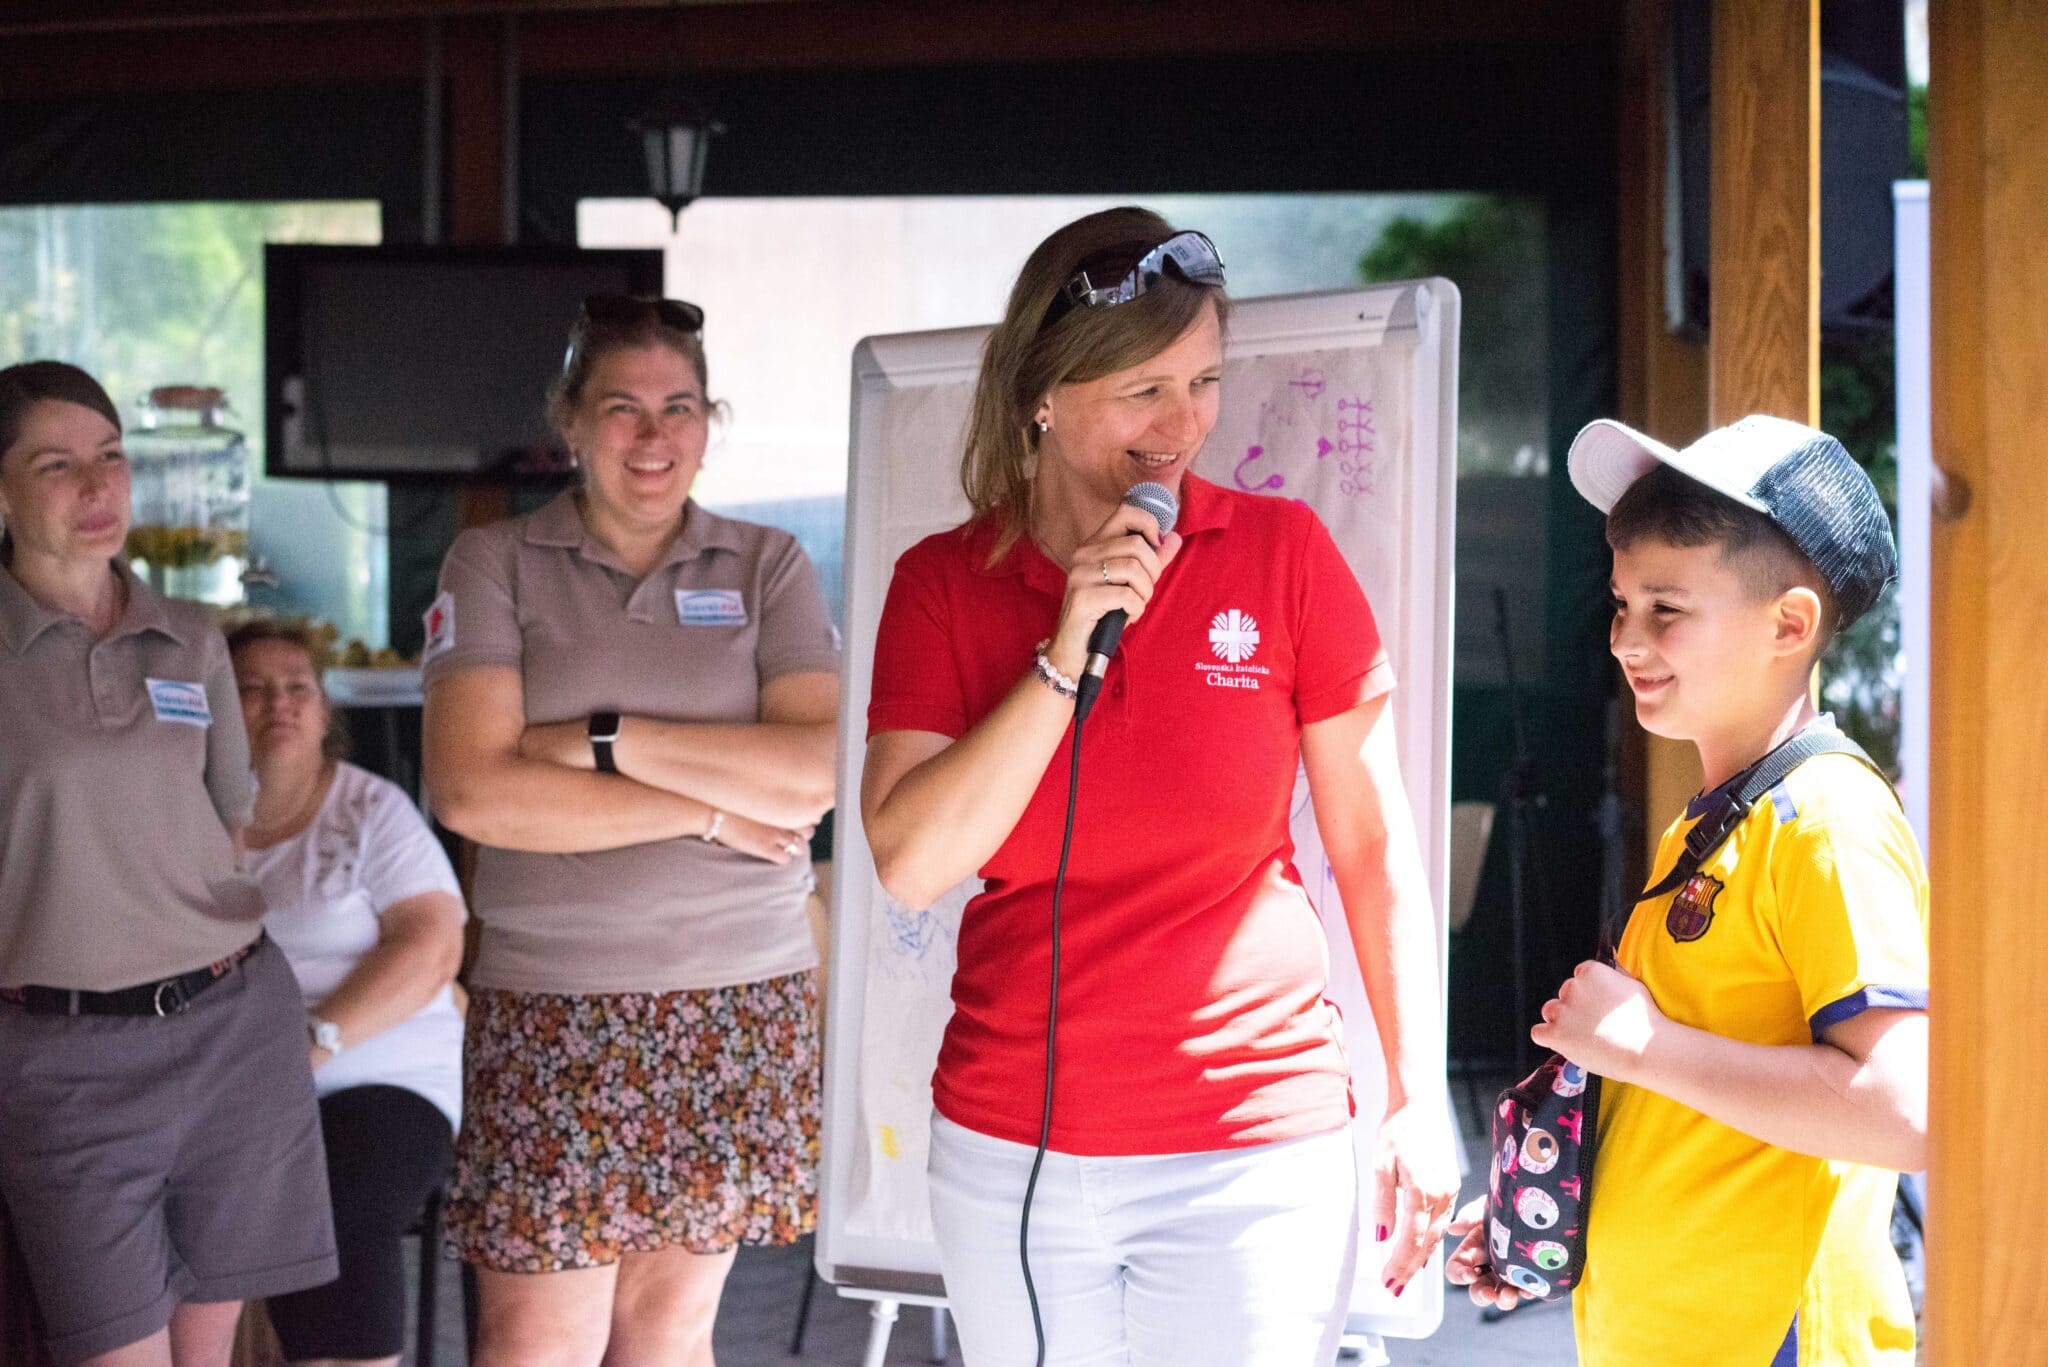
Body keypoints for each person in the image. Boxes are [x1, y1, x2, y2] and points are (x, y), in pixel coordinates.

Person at [860, 207, 1458, 1366]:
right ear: (1042, 392)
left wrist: (1414, 1095)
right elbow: (910, 863)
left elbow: (1373, 848)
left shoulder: (1283, 554)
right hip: (1011, 1153)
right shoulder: (940, 582)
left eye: (1204, 382)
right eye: (1144, 390)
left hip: (1253, 1149)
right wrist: (1060, 653)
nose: (1182, 424)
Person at [1445, 415, 1929, 1365]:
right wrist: (1543, 1206)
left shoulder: (1827, 818)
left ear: (1789, 624)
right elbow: (1684, 1113)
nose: (1627, 638)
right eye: (1621, 602)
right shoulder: (1720, 818)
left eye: (1666, 607)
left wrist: (1644, 1043)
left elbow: (1901, 1110)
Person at [421, 295, 840, 1366]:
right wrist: (706, 806)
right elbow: (474, 792)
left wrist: (597, 738)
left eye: (679, 407)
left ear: (709, 422)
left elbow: (813, 773)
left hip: (736, 996)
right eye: (622, 407)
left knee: (667, 1336)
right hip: (555, 1002)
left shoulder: (767, 563)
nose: (654, 436)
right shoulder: (494, 561)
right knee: (533, 1341)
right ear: (569, 421)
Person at [0, 361, 337, 1367]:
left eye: (110, 457)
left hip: (233, 1024)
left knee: (212, 1349)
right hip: (62, 1053)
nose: (96, 486)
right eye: (56, 465)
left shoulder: (191, 636)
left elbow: (226, 821)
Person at [228, 620, 468, 1367]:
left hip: (385, 1072)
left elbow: (432, 946)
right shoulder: (194, 819)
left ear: (325, 709)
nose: (280, 702)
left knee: (334, 1190)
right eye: (252, 688)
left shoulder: (373, 811)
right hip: (238, 1081)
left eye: (298, 686)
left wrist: (312, 1044)